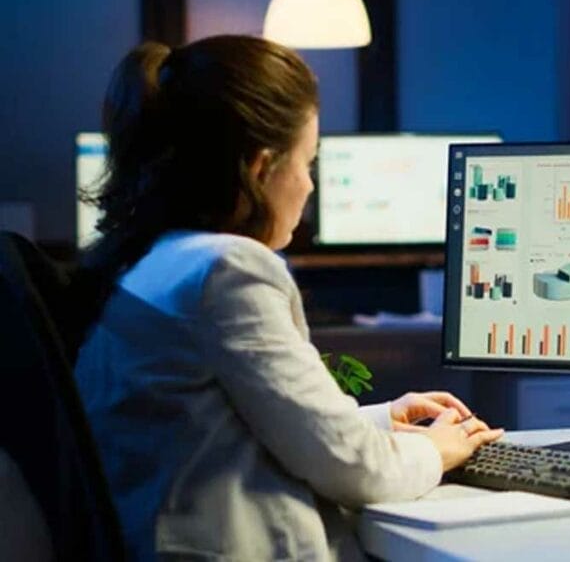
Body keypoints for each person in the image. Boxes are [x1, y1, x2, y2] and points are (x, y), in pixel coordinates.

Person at [73, 35, 503, 561]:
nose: (310, 186)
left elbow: (241, 424)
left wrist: (382, 418)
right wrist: (434, 450)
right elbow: (355, 470)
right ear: (260, 167)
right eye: (308, 163)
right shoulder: (229, 269)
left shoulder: (151, 260)